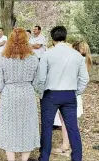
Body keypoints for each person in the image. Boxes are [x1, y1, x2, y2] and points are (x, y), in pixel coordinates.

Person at [37, 26, 89, 161]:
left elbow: (41, 78)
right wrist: (76, 92)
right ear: (65, 37)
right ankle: (77, 158)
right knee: (73, 128)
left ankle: (44, 158)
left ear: (52, 39)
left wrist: (40, 93)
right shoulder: (77, 55)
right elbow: (85, 79)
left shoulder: (47, 54)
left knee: (47, 128)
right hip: (70, 94)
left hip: (51, 94)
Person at [0, 28, 40, 161]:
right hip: (27, 94)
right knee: (27, 126)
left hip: (9, 94)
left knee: (9, 127)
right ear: (26, 41)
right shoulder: (33, 59)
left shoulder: (2, 59)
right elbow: (37, 83)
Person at [52, 40, 92, 155]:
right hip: (74, 94)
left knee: (66, 122)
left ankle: (65, 147)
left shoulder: (78, 61)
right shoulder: (85, 60)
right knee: (69, 122)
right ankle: (67, 145)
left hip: (71, 94)